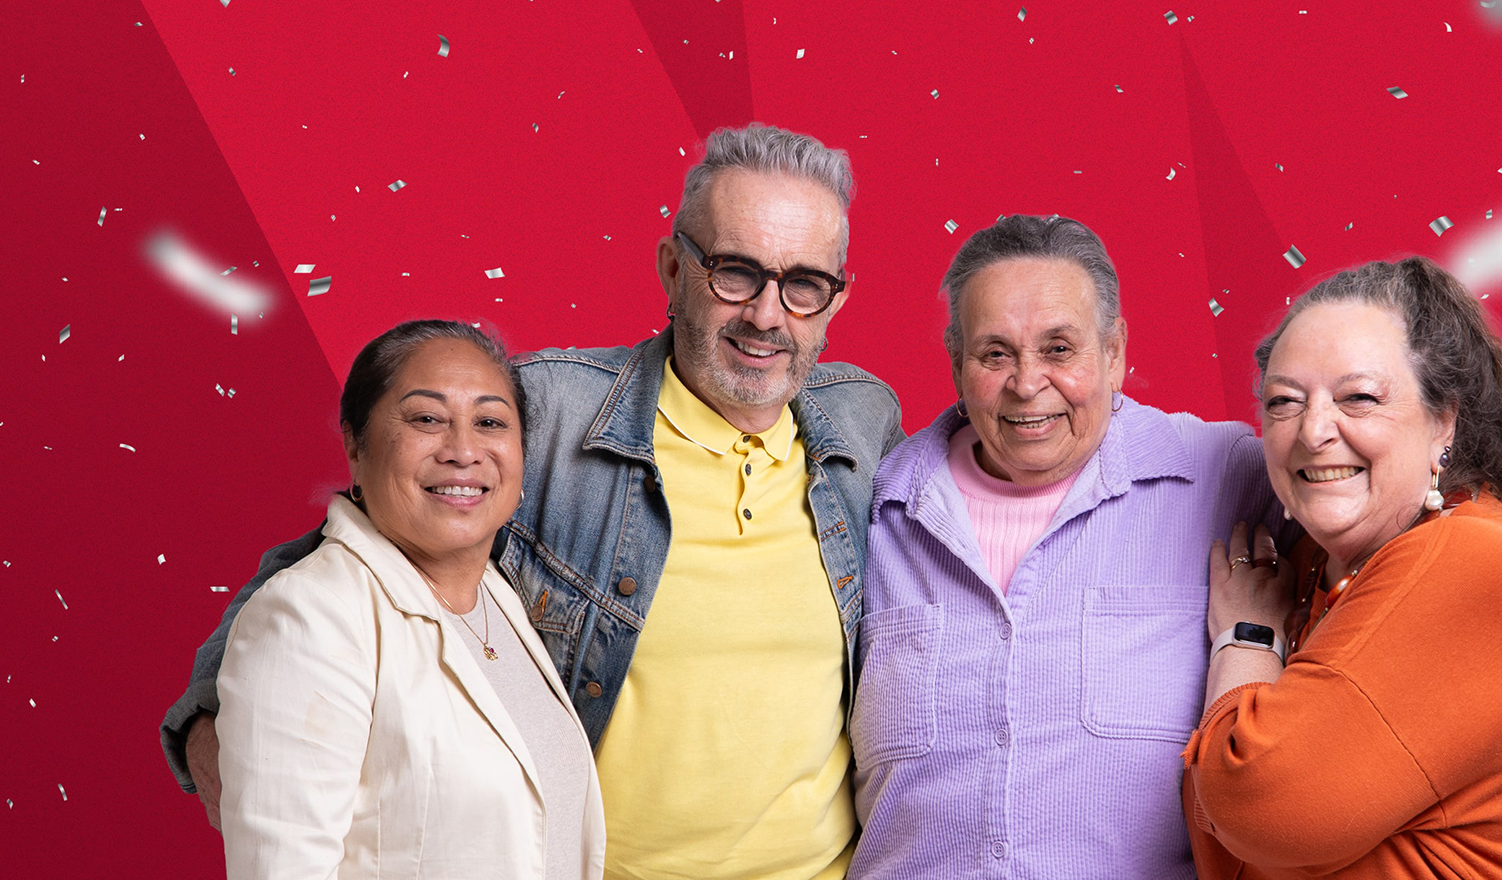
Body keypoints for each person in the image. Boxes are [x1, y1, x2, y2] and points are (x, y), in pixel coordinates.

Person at [161, 123, 903, 880]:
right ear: (674, 266)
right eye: (735, 272)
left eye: (804, 285)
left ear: (838, 298)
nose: (767, 316)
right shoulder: (550, 414)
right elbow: (332, 560)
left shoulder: (862, 425)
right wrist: (215, 724)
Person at [850, 215, 1274, 878]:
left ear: (1114, 353)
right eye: (995, 354)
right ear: (956, 363)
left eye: (1058, 349)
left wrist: (1253, 638)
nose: (1026, 383)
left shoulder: (1230, 477)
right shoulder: (873, 507)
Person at [1182, 257, 1502, 879]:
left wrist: (1246, 639)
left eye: (1358, 398)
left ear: (1445, 422)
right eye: (1283, 403)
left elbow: (1256, 808)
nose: (1312, 431)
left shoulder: (1469, 560)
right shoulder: (1313, 574)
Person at [218, 320, 601, 878]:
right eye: (427, 419)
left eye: (490, 422)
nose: (464, 450)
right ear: (355, 442)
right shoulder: (309, 617)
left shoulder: (499, 596)